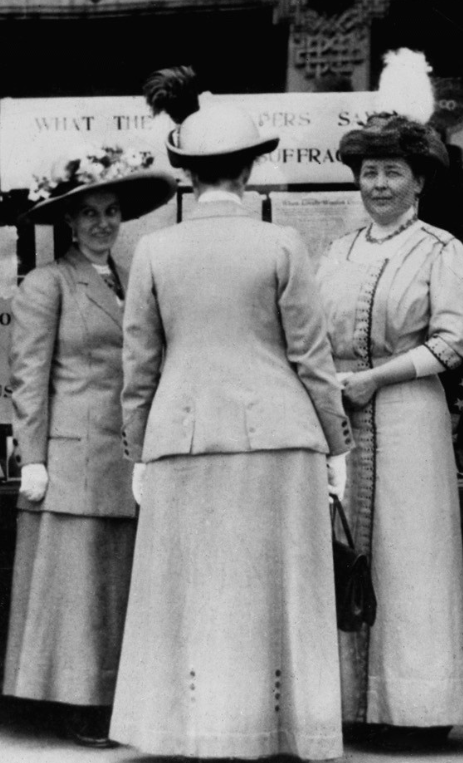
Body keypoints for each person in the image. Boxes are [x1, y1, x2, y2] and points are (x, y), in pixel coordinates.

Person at [110, 101, 351, 762]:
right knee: (277, 589)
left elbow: (139, 365)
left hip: (182, 438)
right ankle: (277, 729)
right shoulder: (280, 243)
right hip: (279, 434)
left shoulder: (152, 250)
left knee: (193, 590)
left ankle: (196, 728)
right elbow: (311, 357)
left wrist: (137, 447)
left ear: (186, 176)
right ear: (249, 170)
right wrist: (336, 445)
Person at [316, 50, 463, 741]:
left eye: (392, 173)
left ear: (417, 183)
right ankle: (349, 705)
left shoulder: (441, 249)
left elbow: (452, 342)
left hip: (407, 415)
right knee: (343, 551)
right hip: (343, 420)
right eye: (369, 172)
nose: (378, 184)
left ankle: (411, 711)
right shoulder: (335, 250)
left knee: (410, 557)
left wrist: (376, 378)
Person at [4, 143, 177, 746]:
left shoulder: (136, 280)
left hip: (128, 452)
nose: (103, 223)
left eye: (111, 212)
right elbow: (29, 376)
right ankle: (75, 705)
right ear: (69, 223)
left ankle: (111, 698)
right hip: (72, 452)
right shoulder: (48, 282)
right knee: (76, 587)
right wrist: (32, 458)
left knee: (115, 582)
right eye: (90, 214)